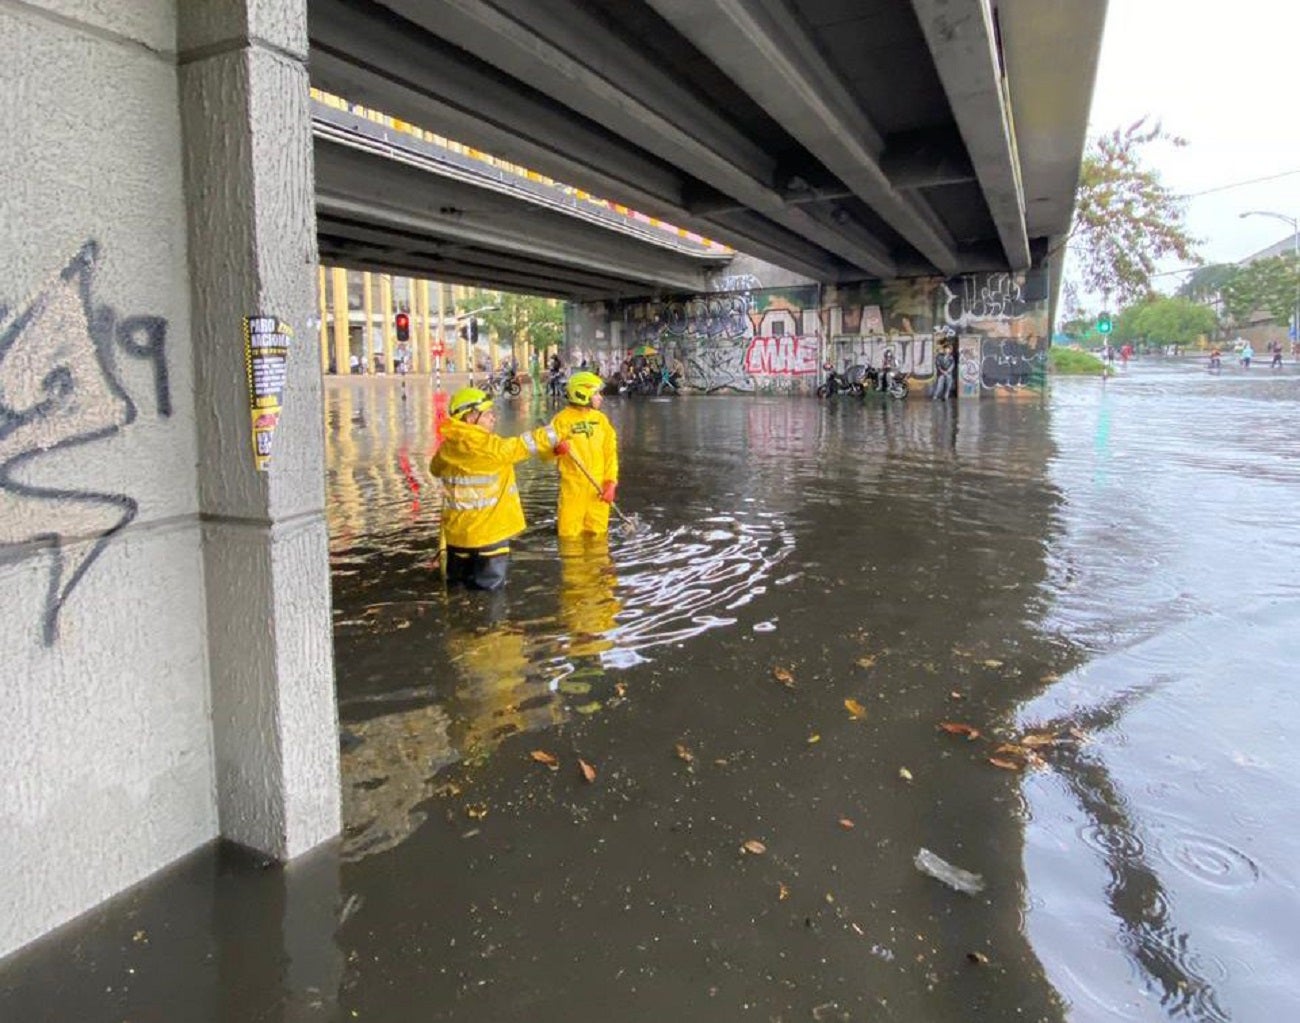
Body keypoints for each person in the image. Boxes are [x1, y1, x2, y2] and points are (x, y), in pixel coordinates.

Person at [430, 387, 569, 591]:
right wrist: (561, 430)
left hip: (457, 538)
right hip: (490, 540)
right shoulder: (493, 448)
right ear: (470, 418)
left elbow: (435, 469)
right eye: (487, 414)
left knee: (458, 593)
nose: (493, 418)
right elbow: (526, 444)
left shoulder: (446, 450)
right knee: (490, 599)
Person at [546, 371, 619, 539]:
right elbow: (545, 452)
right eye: (596, 393)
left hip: (598, 490)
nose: (600, 397)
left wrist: (611, 483)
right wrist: (556, 450)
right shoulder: (561, 421)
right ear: (582, 393)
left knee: (599, 536)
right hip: (573, 490)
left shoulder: (601, 420)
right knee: (569, 538)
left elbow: (610, 454)